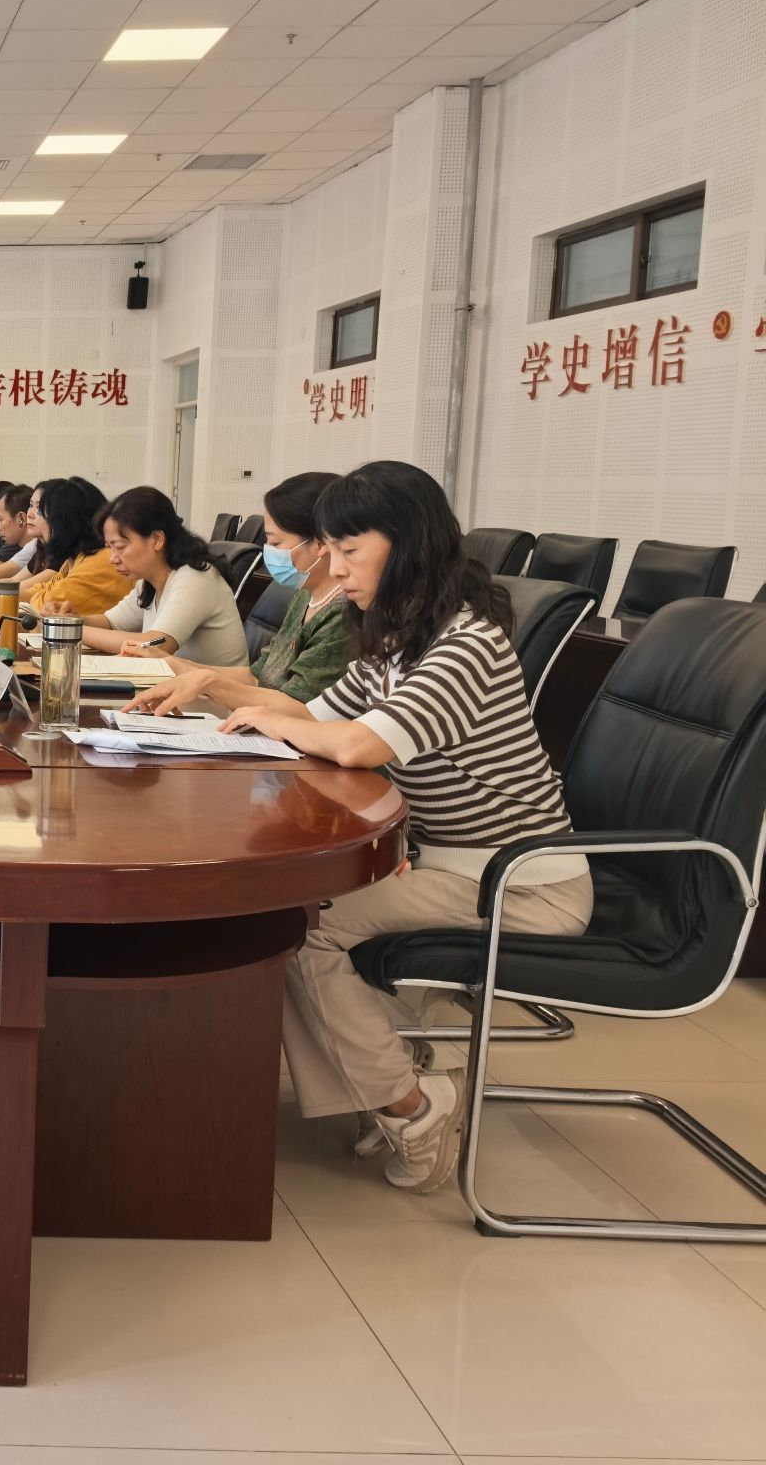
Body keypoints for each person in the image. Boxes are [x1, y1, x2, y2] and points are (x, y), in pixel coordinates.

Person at [213, 460, 591, 1193]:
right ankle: (396, 1075)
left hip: (519, 883)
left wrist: (268, 718)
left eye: (350, 551)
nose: (335, 569)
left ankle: (410, 1109)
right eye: (331, 549)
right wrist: (221, 702)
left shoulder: (468, 642)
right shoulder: (398, 638)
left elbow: (360, 744)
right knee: (293, 916)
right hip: (454, 863)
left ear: (408, 544)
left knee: (296, 928)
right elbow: (314, 716)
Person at [125, 472, 351, 711]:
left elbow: (299, 707)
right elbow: (256, 676)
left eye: (276, 543)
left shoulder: (342, 614)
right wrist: (175, 666)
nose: (268, 551)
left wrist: (207, 683)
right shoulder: (304, 596)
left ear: (320, 543)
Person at [64, 486, 246, 665]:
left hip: (217, 685)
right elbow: (111, 622)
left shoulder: (196, 577)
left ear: (157, 539)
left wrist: (71, 630)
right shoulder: (149, 580)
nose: (113, 558)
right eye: (109, 547)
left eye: (119, 547)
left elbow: (156, 645)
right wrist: (70, 619)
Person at [23, 478, 128, 615]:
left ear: (62, 522)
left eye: (41, 513)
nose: (36, 518)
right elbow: (39, 590)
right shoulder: (75, 559)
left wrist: (23, 598)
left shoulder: (101, 562)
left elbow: (46, 606)